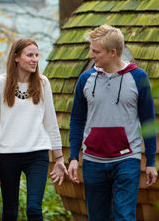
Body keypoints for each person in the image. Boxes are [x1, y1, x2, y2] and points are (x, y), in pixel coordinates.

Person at [68, 24, 158, 221]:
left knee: (125, 217)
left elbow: (148, 121)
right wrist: (73, 156)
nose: (91, 55)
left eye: (95, 51)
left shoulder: (138, 77)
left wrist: (151, 161)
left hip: (127, 160)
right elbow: (76, 120)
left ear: (113, 52)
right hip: (93, 161)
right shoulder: (85, 79)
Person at [0, 38, 67, 221]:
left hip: (37, 154)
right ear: (16, 57)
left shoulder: (43, 83)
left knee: (34, 209)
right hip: (8, 155)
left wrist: (59, 158)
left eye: (36, 55)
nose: (34, 59)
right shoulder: (1, 83)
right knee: (10, 212)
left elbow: (51, 123)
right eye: (29, 55)